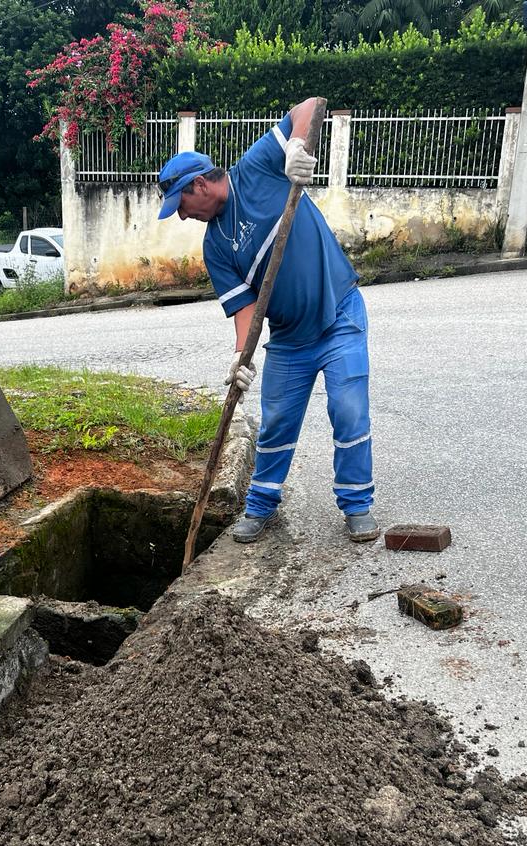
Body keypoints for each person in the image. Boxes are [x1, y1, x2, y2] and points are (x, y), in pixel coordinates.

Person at [156, 98, 379, 544]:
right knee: (276, 420)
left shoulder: (257, 167)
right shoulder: (215, 246)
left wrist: (297, 147)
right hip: (290, 341)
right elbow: (244, 310)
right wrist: (242, 357)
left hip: (340, 315)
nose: (181, 215)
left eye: (180, 203)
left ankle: (356, 504)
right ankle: (260, 506)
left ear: (200, 184)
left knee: (348, 409)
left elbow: (311, 106)